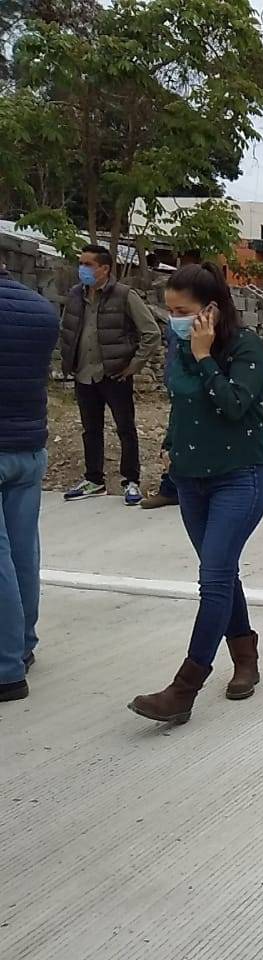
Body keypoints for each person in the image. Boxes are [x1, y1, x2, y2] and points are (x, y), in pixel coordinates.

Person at [128, 263, 263, 724]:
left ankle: (184, 688)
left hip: (239, 477)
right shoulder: (179, 345)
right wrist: (171, 444)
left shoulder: (246, 347)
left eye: (182, 311)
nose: (174, 319)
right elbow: (182, 400)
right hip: (191, 479)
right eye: (170, 310)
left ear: (211, 309)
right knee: (221, 573)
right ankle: (246, 657)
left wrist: (205, 356)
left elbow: (233, 404)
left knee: (213, 578)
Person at [58, 243, 161, 506]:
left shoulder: (125, 295)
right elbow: (67, 329)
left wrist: (133, 366)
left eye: (88, 264)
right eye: (81, 264)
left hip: (115, 374)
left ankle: (131, 480)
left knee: (125, 428)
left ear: (104, 269)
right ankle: (94, 480)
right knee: (90, 429)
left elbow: (151, 333)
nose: (82, 269)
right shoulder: (75, 295)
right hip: (84, 373)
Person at [0, 265, 59, 703]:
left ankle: (6, 669)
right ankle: (22, 644)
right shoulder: (40, 310)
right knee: (23, 552)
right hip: (29, 446)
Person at [140, 308, 181, 509]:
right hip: (178, 386)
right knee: (174, 439)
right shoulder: (176, 321)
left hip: (198, 388)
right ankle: (171, 488)